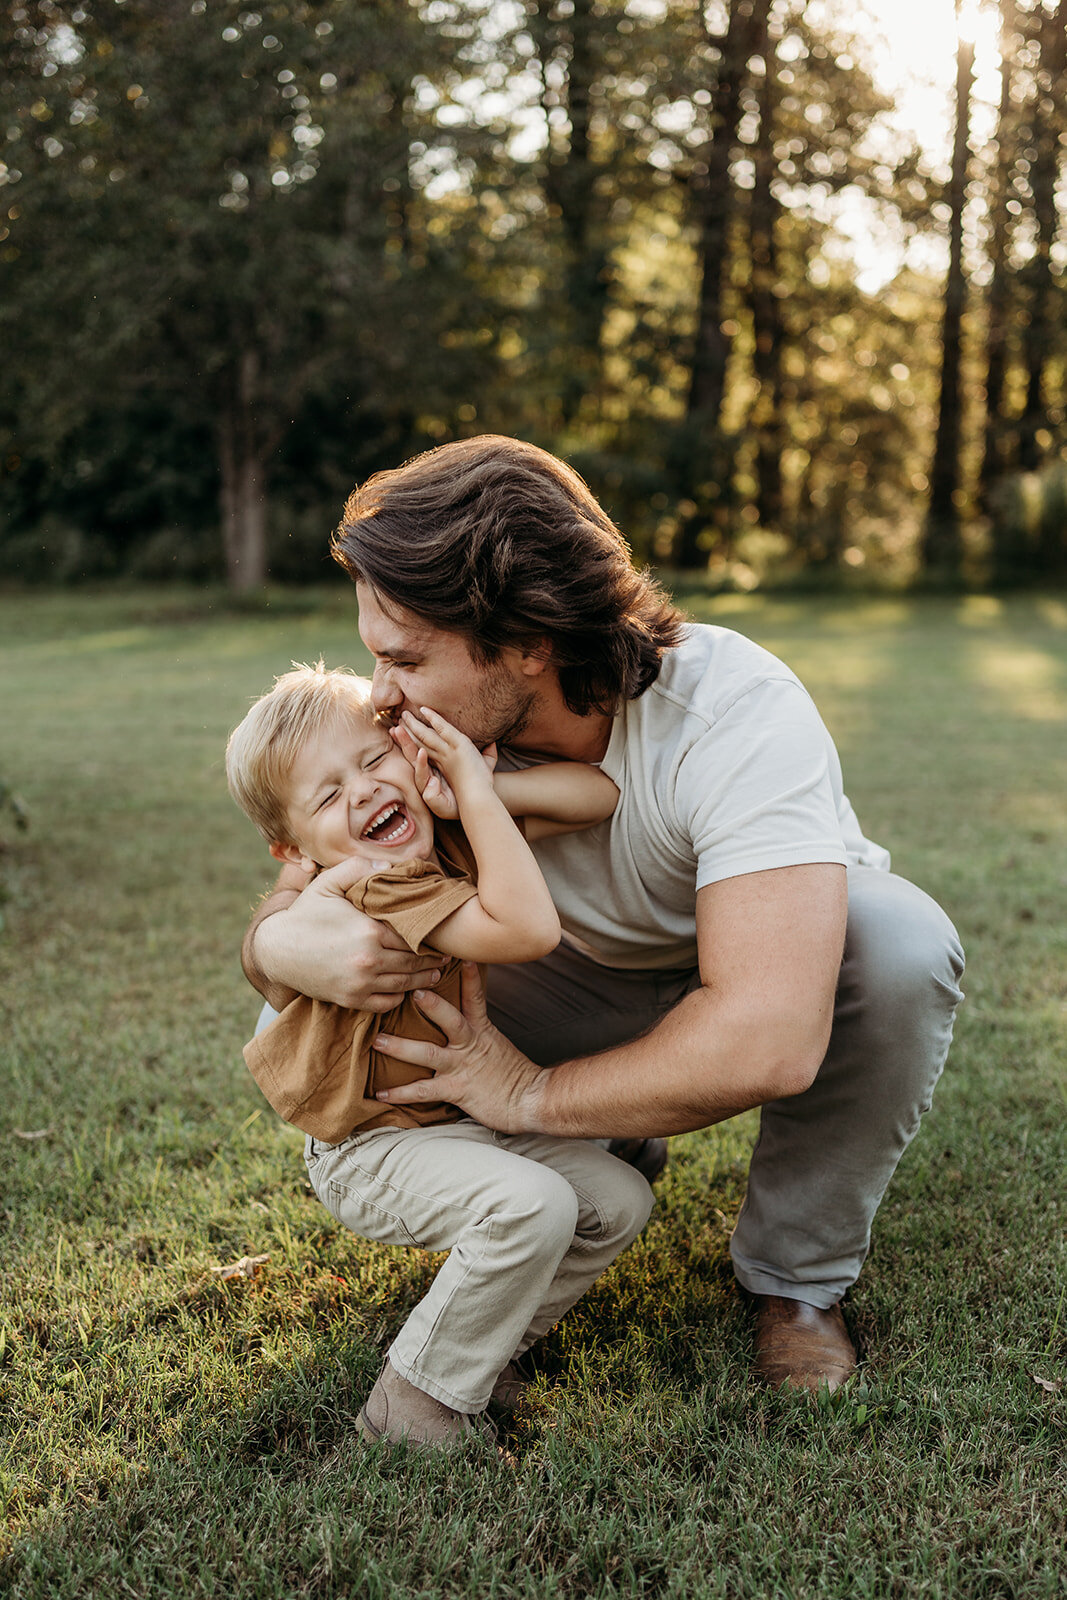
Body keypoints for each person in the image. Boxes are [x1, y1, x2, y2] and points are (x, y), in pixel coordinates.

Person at [242, 436, 966, 1396]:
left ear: (528, 644)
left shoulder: (733, 711)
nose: (379, 694)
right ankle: (576, 1167)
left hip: (750, 965)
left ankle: (795, 1284)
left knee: (903, 947)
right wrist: (282, 941)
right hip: (555, 975)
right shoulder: (419, 739)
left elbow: (770, 1038)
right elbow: (294, 893)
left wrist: (526, 1096)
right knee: (337, 975)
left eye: (404, 659)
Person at [226, 662, 653, 1448]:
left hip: (452, 1123)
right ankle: (410, 1409)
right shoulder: (379, 884)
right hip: (371, 1147)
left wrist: (470, 791)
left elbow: (600, 795)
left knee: (617, 1203)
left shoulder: (446, 834)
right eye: (327, 797)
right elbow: (526, 930)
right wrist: (479, 800)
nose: (361, 793)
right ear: (295, 849)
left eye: (373, 760)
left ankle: (481, 1351)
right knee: (534, 1206)